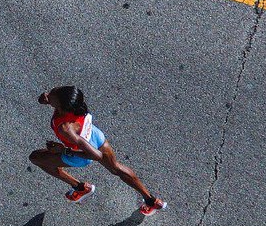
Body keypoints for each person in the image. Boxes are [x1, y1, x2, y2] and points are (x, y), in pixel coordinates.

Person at [29, 86, 166, 214]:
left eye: (51, 96)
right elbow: (56, 102)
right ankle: (151, 201)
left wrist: (63, 150)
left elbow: (96, 156)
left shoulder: (66, 128)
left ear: (61, 106)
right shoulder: (75, 104)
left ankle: (81, 188)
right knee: (116, 168)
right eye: (51, 92)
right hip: (95, 136)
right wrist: (48, 100)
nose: (47, 94)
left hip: (82, 153)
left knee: (36, 158)